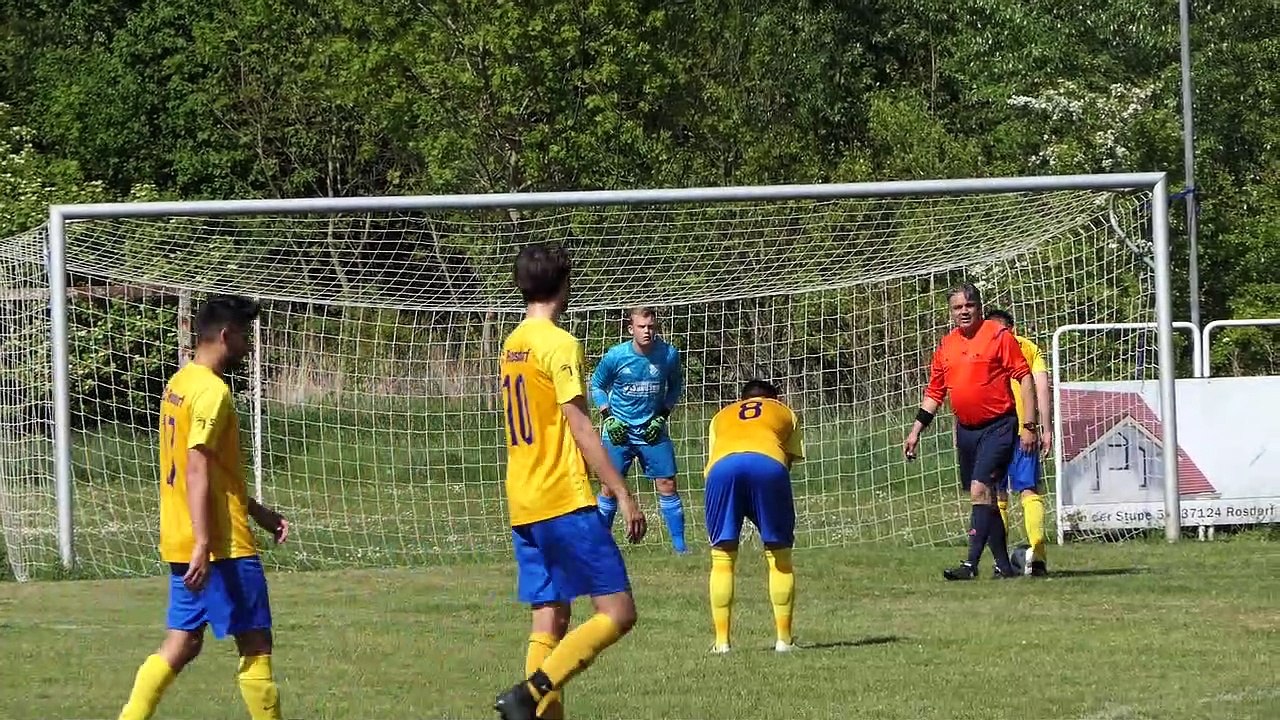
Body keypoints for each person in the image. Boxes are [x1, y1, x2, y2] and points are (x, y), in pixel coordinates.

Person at [493, 243, 648, 720]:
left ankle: (532, 703)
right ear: (564, 285)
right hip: (561, 497)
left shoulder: (511, 342)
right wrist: (621, 491)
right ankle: (531, 691)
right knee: (619, 612)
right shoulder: (558, 343)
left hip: (523, 499)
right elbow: (580, 425)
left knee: (551, 617)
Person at [117, 295, 289, 720]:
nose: (248, 345)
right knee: (255, 646)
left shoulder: (180, 384)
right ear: (226, 335)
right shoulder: (213, 392)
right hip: (220, 545)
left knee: (182, 642)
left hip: (181, 536)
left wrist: (257, 510)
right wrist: (206, 544)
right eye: (245, 336)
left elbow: (213, 472)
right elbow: (196, 469)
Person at [903, 283, 1035, 581]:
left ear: (979, 306)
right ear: (950, 312)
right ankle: (1003, 565)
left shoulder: (998, 336)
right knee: (983, 497)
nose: (964, 311)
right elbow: (934, 393)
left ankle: (970, 564)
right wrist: (915, 431)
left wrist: (1029, 424)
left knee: (979, 490)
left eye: (969, 305)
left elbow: (1024, 377)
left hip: (999, 426)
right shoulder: (947, 345)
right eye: (957, 307)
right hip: (967, 431)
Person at [702, 380, 804, 653]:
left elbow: (713, 459)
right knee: (779, 555)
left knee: (722, 558)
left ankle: (722, 643)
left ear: (742, 400)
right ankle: (784, 640)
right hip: (768, 465)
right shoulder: (784, 412)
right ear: (775, 399)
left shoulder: (720, 416)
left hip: (722, 469)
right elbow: (787, 462)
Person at [590, 307, 687, 553]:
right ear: (631, 328)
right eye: (642, 327)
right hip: (619, 429)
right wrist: (608, 417)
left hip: (652, 429)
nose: (647, 331)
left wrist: (662, 416)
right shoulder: (616, 356)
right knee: (609, 487)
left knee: (667, 483)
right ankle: (602, 546)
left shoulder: (668, 355)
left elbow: (676, 387)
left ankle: (680, 547)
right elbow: (597, 385)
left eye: (651, 326)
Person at [985, 308, 1052, 576]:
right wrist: (1045, 428)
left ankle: (1002, 563)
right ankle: (1037, 557)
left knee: (998, 497)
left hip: (997, 430)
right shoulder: (1029, 348)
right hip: (1024, 428)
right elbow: (1042, 388)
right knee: (1027, 492)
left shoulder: (987, 350)